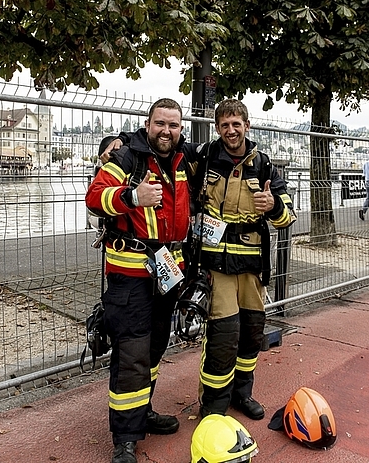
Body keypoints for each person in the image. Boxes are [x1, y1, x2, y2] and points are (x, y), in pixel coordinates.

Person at [86, 98, 192, 463]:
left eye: (173, 125)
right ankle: (126, 439)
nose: (166, 131)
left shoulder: (183, 159)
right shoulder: (128, 157)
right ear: (148, 125)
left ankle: (142, 412)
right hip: (129, 275)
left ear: (181, 129)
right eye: (160, 123)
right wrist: (132, 196)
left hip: (168, 273)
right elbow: (95, 197)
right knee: (131, 355)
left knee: (155, 349)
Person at [194, 99, 297, 421]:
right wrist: (119, 143)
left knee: (252, 333)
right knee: (224, 336)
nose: (231, 130)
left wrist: (273, 207)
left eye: (236, 124)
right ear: (217, 128)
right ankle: (213, 404)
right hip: (218, 265)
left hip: (252, 266)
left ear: (247, 126)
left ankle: (243, 394)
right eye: (224, 125)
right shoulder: (205, 157)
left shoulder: (264, 165)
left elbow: (288, 218)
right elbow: (165, 148)